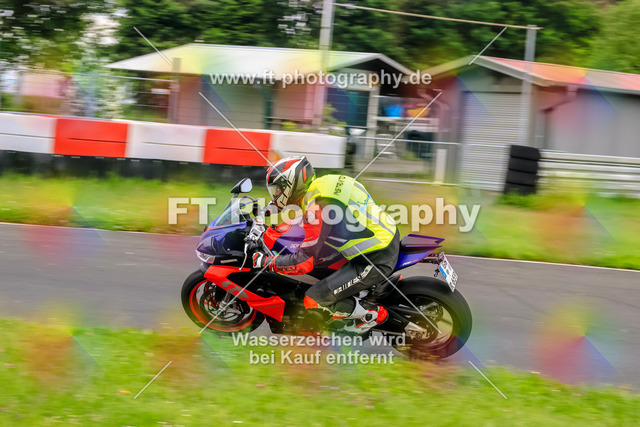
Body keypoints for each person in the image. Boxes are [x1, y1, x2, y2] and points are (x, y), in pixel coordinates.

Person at [252, 156, 400, 333]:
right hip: (385, 232)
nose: (275, 194)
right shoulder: (324, 185)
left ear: (290, 185)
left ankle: (372, 314)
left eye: (277, 190)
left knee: (313, 300)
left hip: (375, 257)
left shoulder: (317, 208)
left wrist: (266, 262)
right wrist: (269, 209)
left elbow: (304, 262)